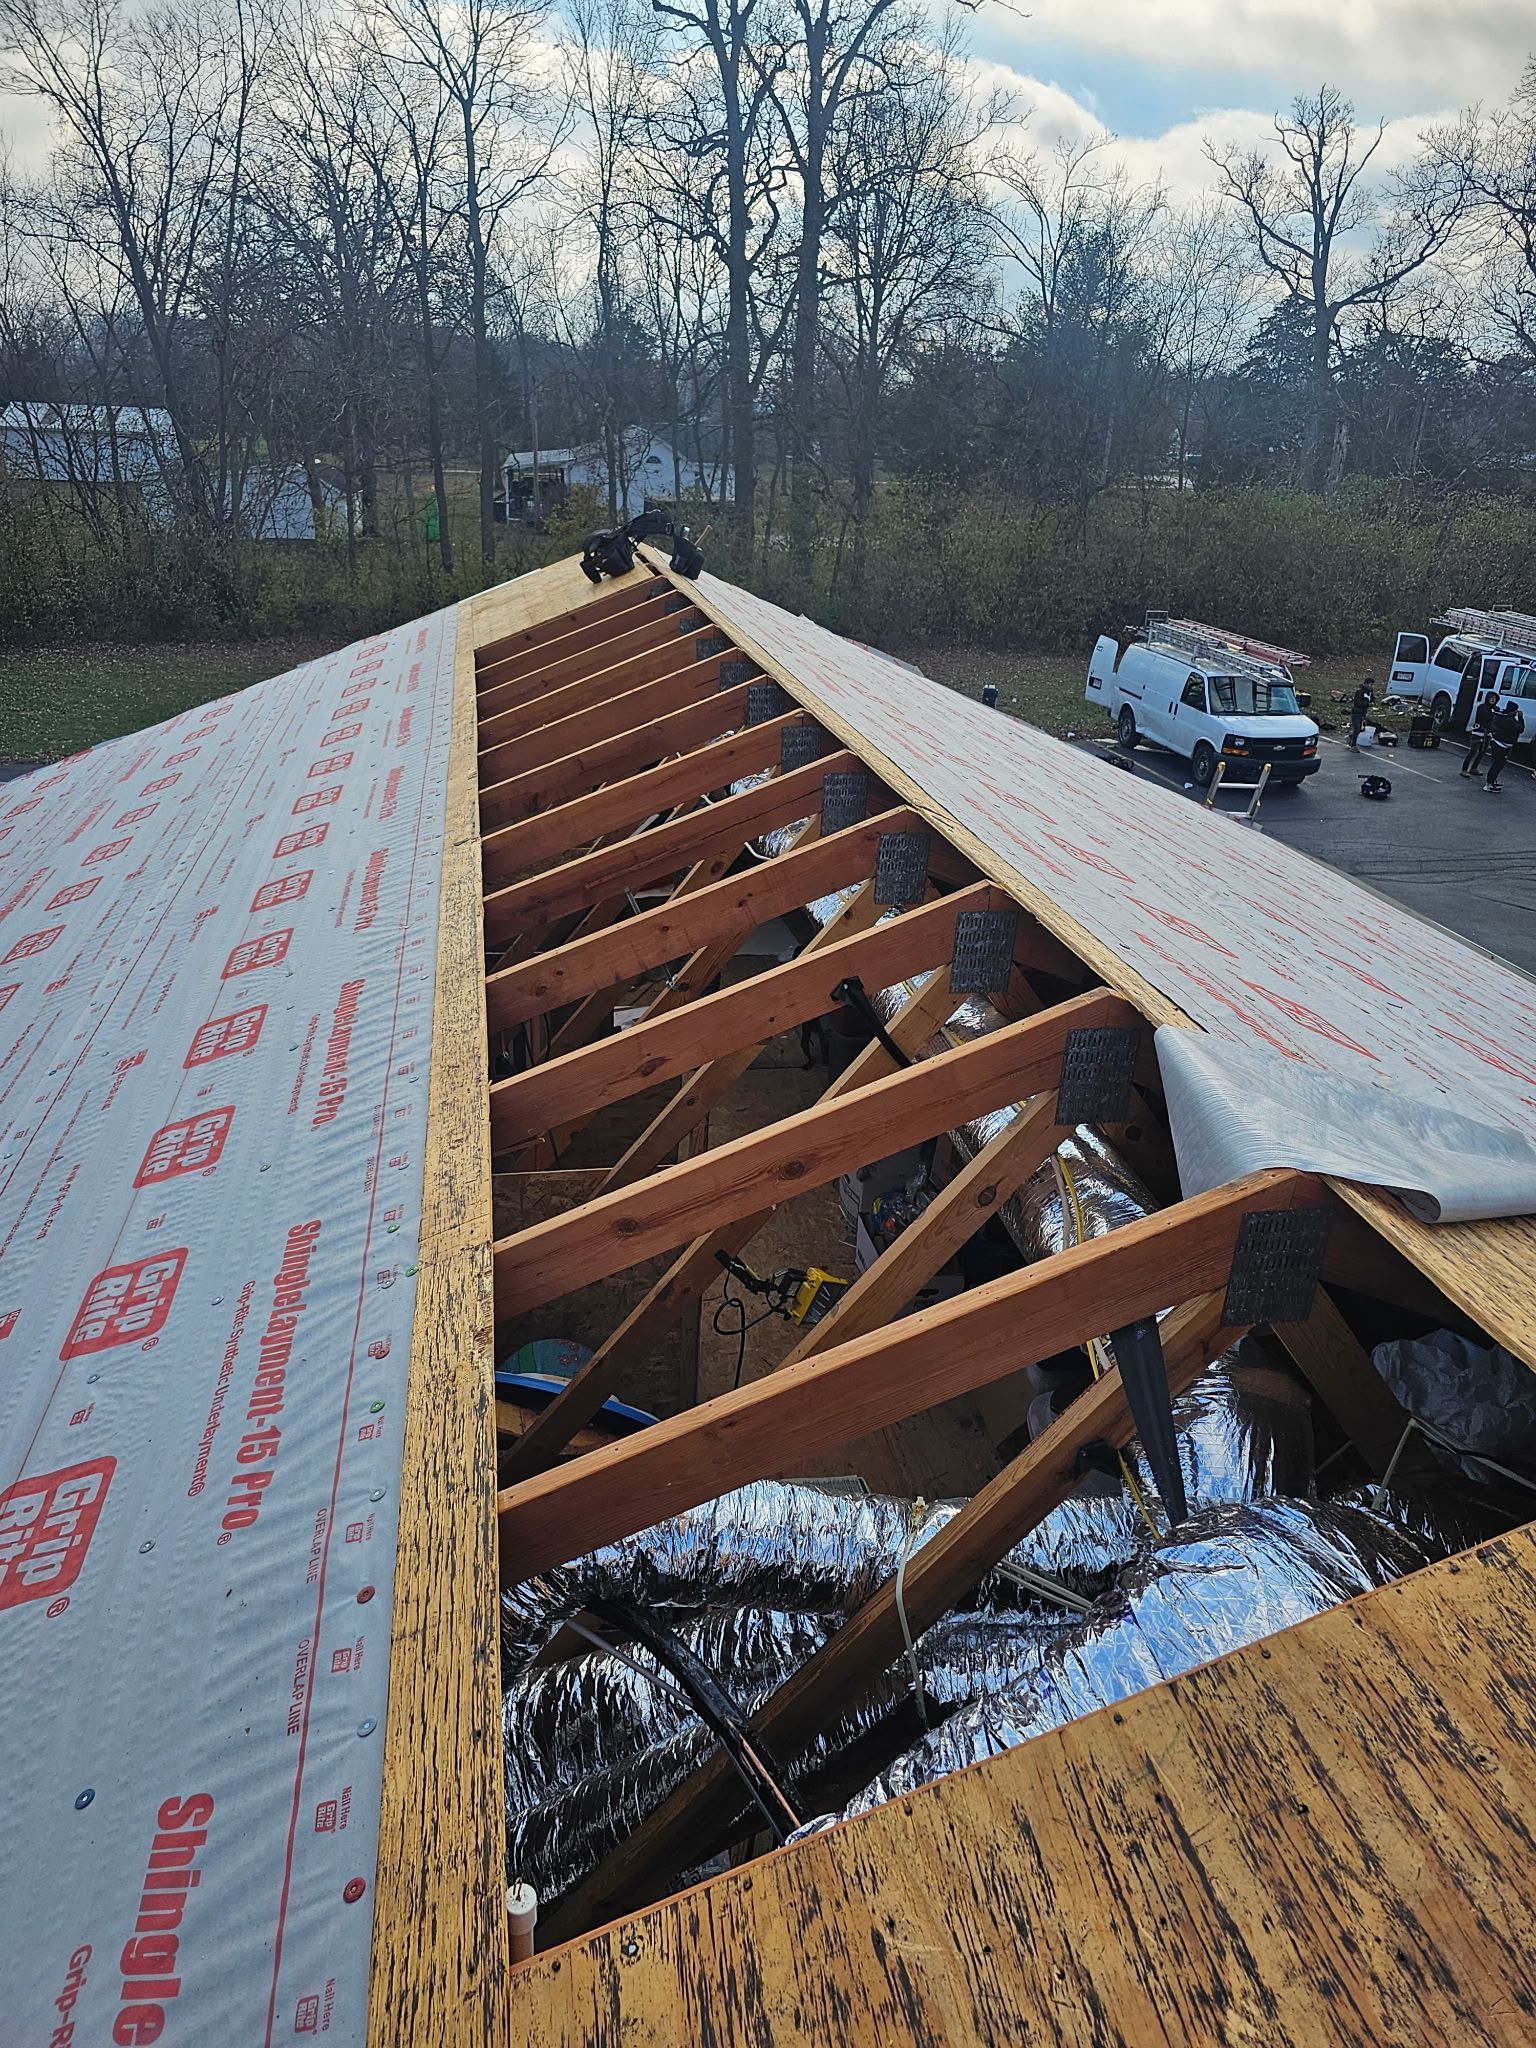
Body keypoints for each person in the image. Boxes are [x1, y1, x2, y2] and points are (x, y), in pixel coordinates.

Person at [1484, 699, 1522, 791]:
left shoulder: (1499, 716)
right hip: (1503, 746)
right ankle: (1489, 784)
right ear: (1513, 711)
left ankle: (1492, 782)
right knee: (1498, 765)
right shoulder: (1510, 720)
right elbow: (1520, 728)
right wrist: (1521, 718)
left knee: (1495, 763)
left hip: (1496, 742)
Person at [1461, 691, 1498, 778]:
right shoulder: (1482, 707)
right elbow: (1486, 717)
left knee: (1482, 752)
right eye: (1491, 698)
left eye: (1494, 698)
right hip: (1478, 732)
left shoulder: (1496, 708)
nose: (1493, 699)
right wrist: (1494, 715)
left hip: (1488, 734)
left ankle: (1474, 768)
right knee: (1473, 751)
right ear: (1487, 698)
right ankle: (1464, 769)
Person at [1348, 677, 1375, 747]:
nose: (1371, 686)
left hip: (1363, 712)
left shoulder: (1370, 692)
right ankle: (1353, 746)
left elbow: (1372, 698)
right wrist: (1367, 704)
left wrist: (1372, 702)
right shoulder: (1359, 692)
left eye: (1372, 684)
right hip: (1356, 712)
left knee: (1361, 728)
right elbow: (1357, 703)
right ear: (1365, 684)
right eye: (1370, 684)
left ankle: (1350, 737)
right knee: (1357, 728)